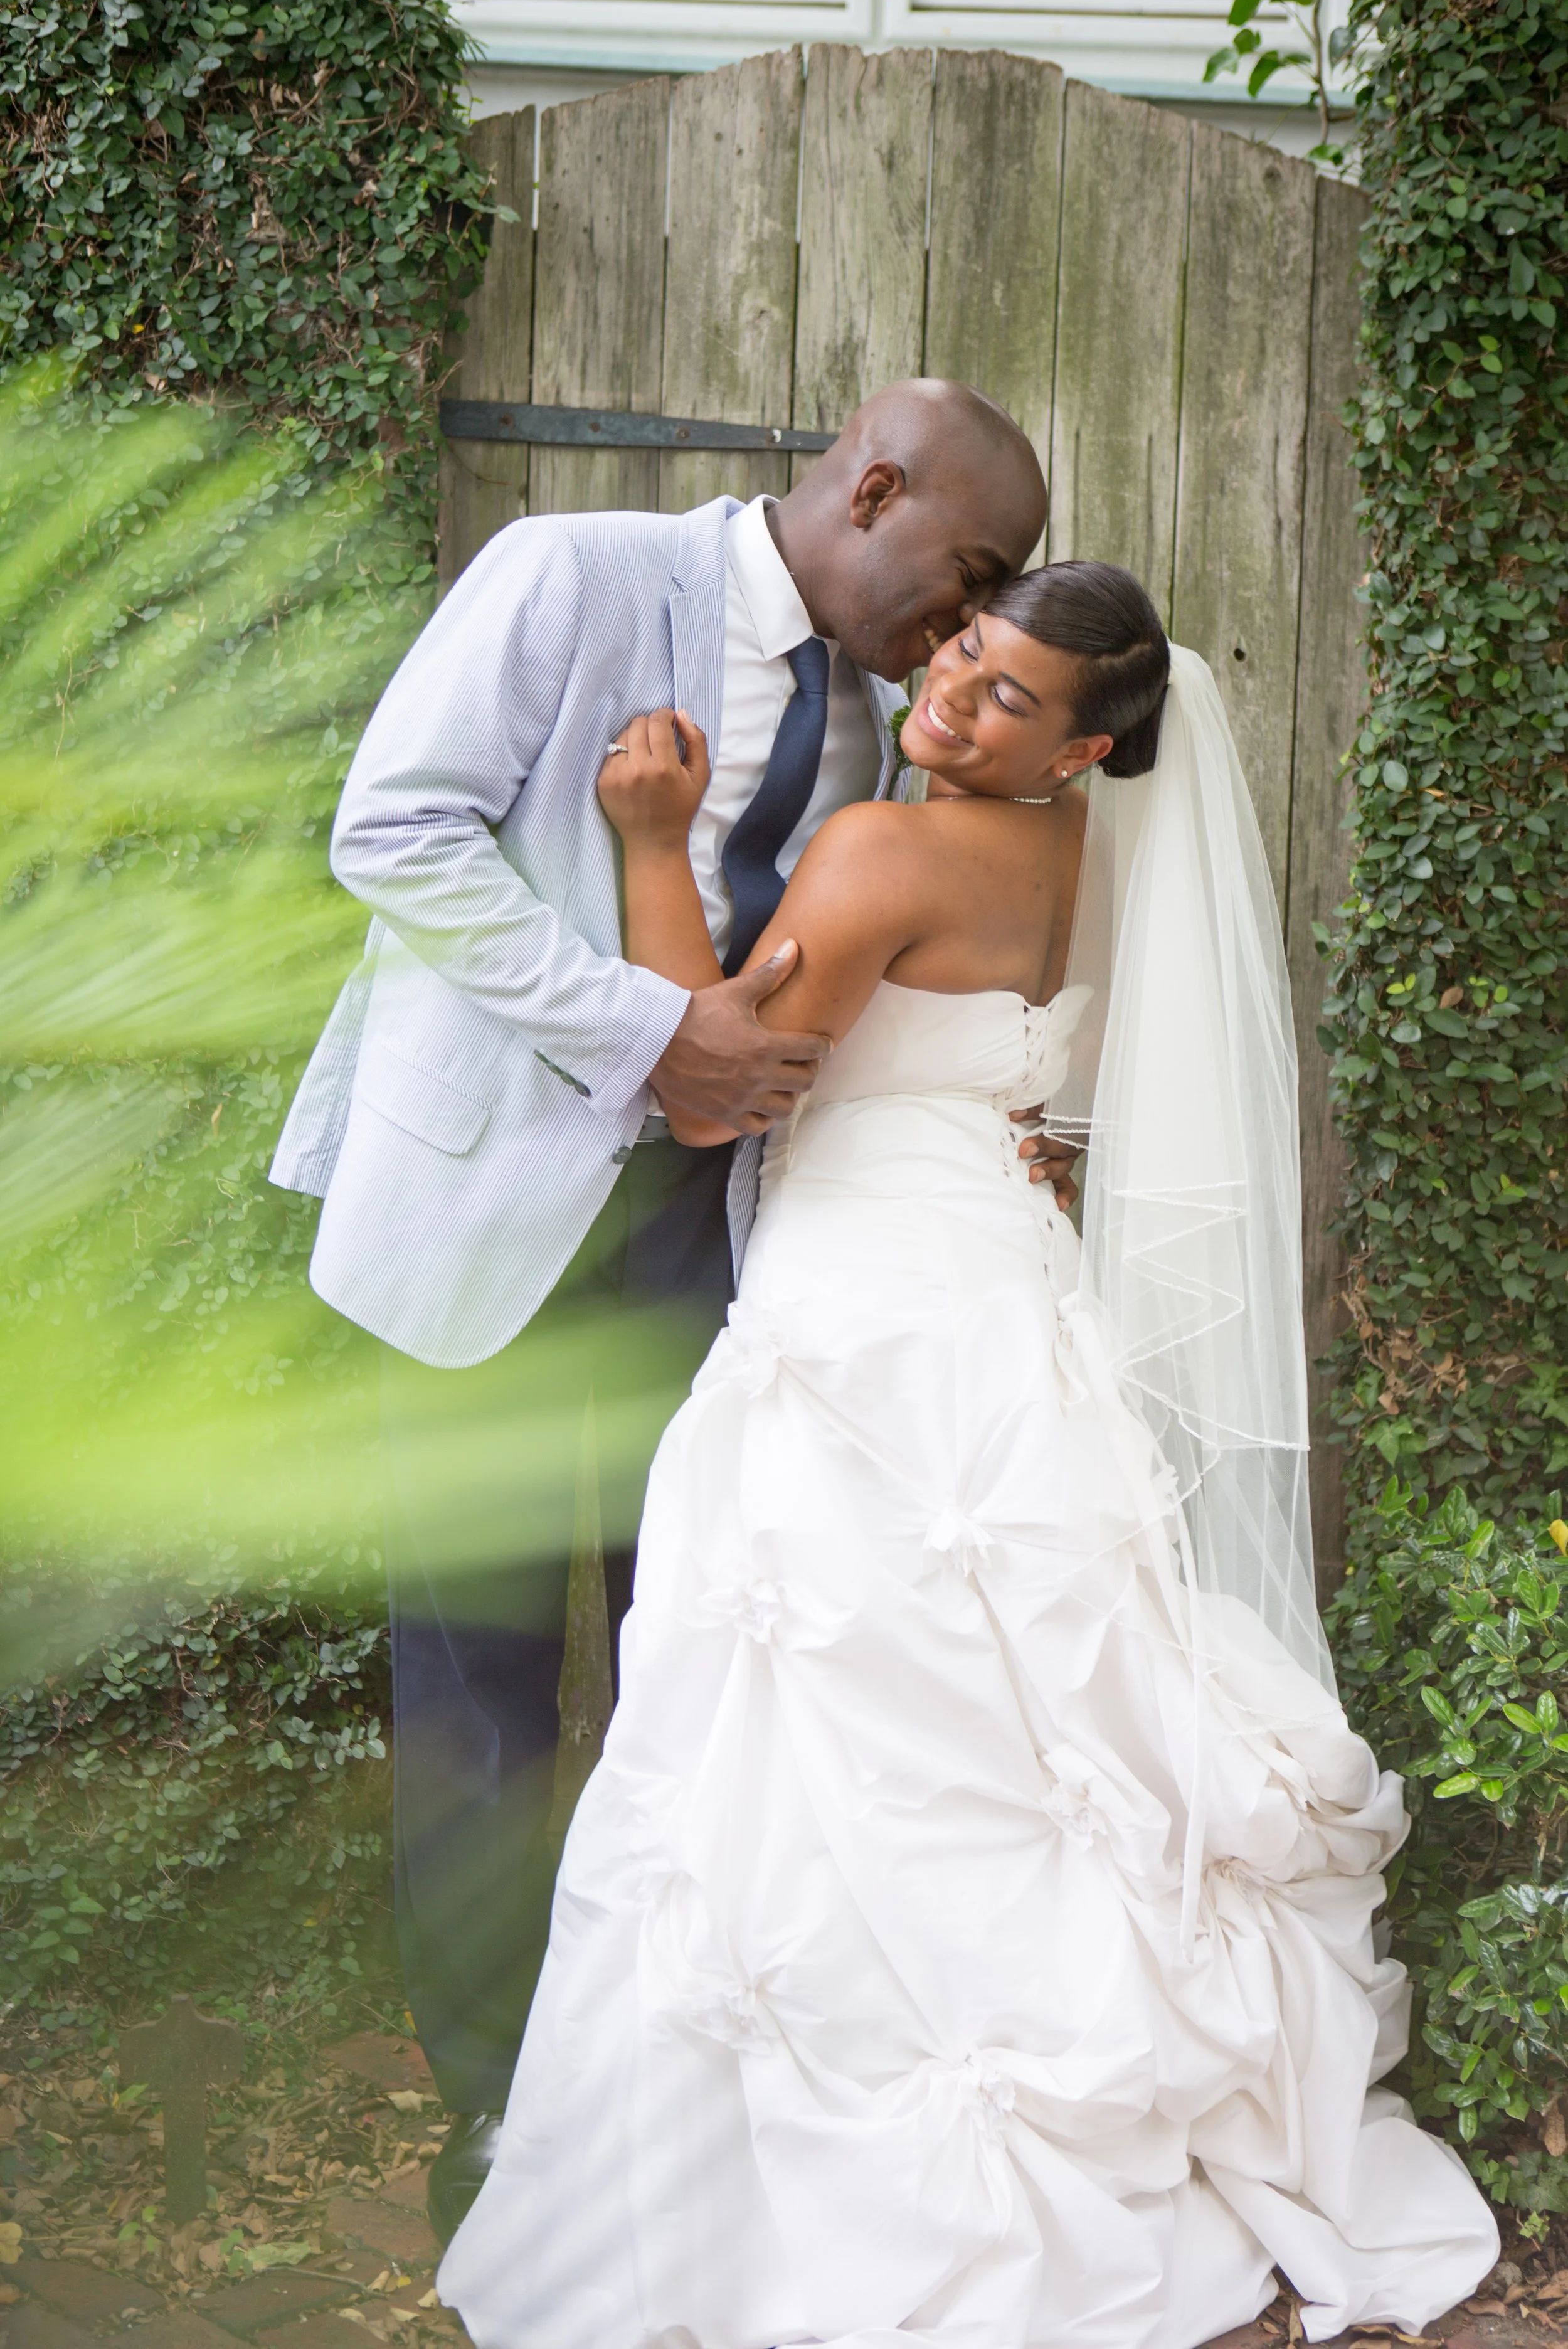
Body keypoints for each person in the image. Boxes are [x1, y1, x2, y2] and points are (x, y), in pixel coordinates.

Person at [436, 563, 1500, 2349]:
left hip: (862, 1315)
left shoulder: (878, 851)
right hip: (1008, 1299)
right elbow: (1030, 1084)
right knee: (1017, 1712)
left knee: (823, 1705)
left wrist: (648, 832)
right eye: (957, 656)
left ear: (1082, 747)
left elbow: (708, 1074)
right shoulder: (1103, 870)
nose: (948, 696)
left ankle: (817, 2181)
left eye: (1005, 698)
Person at [268, 379, 1074, 2235]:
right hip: (481, 1220)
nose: (966, 628)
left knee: (689, 1671)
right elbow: (391, 834)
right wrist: (646, 1031)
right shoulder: (569, 574)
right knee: (473, 1690)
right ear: (869, 488)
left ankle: (656, 2077)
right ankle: (490, 2097)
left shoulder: (892, 713)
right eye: (964, 575)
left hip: (707, 1252)